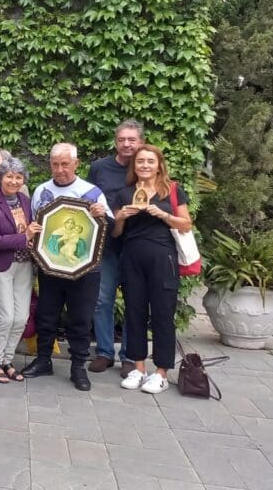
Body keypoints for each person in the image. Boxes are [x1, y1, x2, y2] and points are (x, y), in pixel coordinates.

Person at [21, 143, 112, 391]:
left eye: (65, 164)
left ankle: (78, 367)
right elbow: (35, 225)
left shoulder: (92, 192)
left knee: (80, 318)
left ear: (76, 164)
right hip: (51, 266)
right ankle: (43, 360)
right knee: (46, 314)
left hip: (85, 269)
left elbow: (109, 229)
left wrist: (102, 215)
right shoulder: (41, 191)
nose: (60, 169)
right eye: (55, 164)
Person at [112, 145, 191, 394]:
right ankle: (138, 368)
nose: (145, 165)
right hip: (132, 258)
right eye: (140, 161)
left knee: (162, 315)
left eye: (150, 161)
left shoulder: (172, 190)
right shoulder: (125, 193)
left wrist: (163, 215)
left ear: (159, 165)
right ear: (134, 166)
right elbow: (116, 233)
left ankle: (161, 373)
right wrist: (120, 217)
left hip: (163, 259)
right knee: (134, 312)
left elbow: (186, 224)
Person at [87, 119, 144, 376]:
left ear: (141, 142)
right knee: (102, 300)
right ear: (115, 142)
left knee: (135, 301)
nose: (126, 144)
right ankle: (104, 353)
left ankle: (130, 357)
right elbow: (88, 197)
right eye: (122, 139)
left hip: (137, 245)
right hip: (106, 245)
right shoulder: (99, 168)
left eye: (132, 139)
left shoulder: (146, 167)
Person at [0, 157, 38, 383]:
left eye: (18, 177)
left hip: (24, 265)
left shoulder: (25, 201)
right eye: (9, 176)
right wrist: (25, 237)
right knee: (4, 317)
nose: (14, 181)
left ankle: (7, 361)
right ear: (0, 177)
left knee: (21, 318)